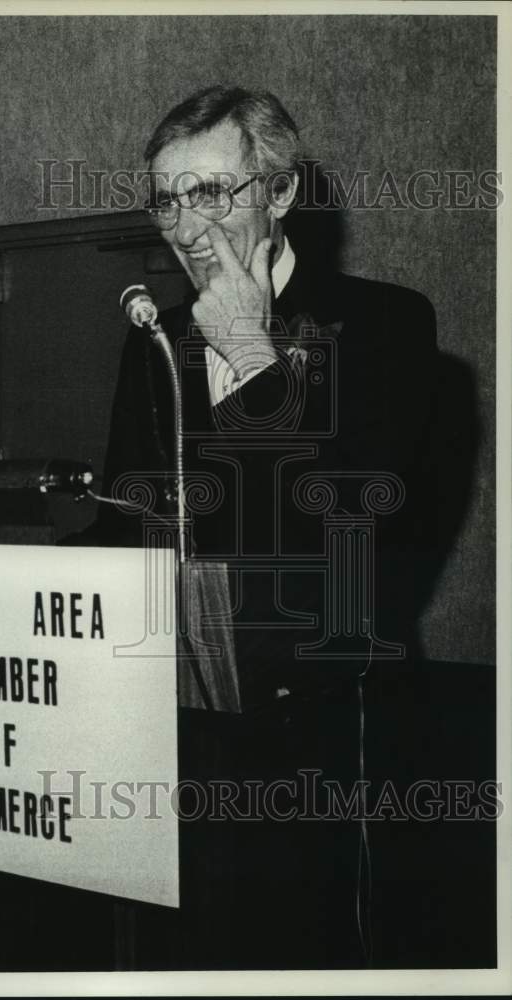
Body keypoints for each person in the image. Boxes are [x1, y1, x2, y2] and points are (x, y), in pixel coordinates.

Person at [81, 86, 439, 968]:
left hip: (325, 739)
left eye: (212, 193)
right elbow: (128, 525)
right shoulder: (156, 339)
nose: (186, 226)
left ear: (279, 193)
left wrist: (250, 351)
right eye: (167, 199)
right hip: (177, 735)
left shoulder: (386, 323)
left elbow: (354, 523)